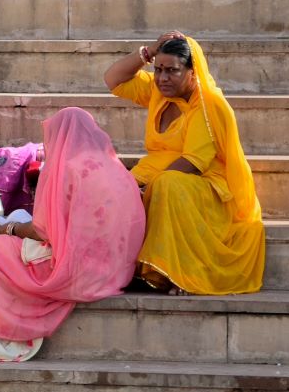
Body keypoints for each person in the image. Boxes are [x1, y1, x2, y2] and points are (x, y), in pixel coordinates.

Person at [0, 107, 145, 362]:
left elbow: (42, 230)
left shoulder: (64, 169)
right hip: (115, 272)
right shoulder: (117, 169)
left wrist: (12, 228)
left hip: (75, 270)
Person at [105, 33, 265, 295]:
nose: (162, 78)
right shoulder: (159, 92)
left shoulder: (207, 105)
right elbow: (113, 79)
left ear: (192, 72)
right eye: (158, 70)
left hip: (201, 188)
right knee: (105, 184)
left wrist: (143, 189)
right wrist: (148, 52)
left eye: (172, 71)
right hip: (155, 176)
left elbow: (192, 162)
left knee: (167, 185)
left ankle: (171, 273)